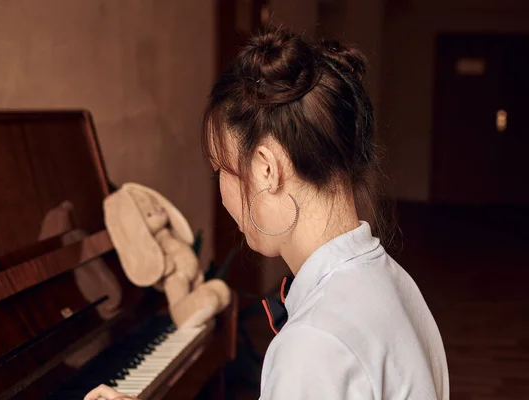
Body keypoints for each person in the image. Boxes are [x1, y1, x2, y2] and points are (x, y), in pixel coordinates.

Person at [86, 25, 449, 400]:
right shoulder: (397, 284)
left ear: (266, 169)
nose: (225, 197)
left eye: (220, 172)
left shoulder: (313, 344)